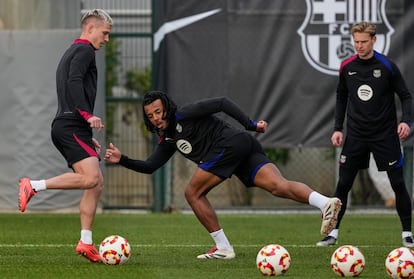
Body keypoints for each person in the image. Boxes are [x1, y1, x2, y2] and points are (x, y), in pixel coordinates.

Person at [104, 91, 342, 259]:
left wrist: (250, 124)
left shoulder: (184, 114)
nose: (156, 117)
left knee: (192, 193)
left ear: (167, 107)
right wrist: (122, 159)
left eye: (159, 111)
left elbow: (221, 102)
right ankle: (324, 203)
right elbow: (150, 166)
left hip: (230, 144)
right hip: (240, 149)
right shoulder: (167, 140)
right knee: (279, 186)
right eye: (151, 115)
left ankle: (223, 248)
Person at [18, 9, 113, 262]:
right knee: (91, 178)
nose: (106, 39)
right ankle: (33, 185)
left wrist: (84, 129)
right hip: (71, 124)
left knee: (96, 183)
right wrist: (86, 115)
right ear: (90, 28)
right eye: (104, 33)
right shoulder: (84, 51)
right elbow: (73, 81)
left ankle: (86, 242)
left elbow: (73, 83)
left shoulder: (73, 50)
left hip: (71, 126)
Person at [316, 22, 413, 247]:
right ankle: (333, 233)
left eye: (363, 41)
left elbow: (406, 96)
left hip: (385, 136)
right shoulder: (347, 67)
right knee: (343, 185)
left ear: (373, 40)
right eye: (356, 41)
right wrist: (337, 128)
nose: (359, 46)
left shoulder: (387, 66)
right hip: (356, 136)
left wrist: (406, 122)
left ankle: (407, 233)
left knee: (398, 183)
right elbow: (341, 97)